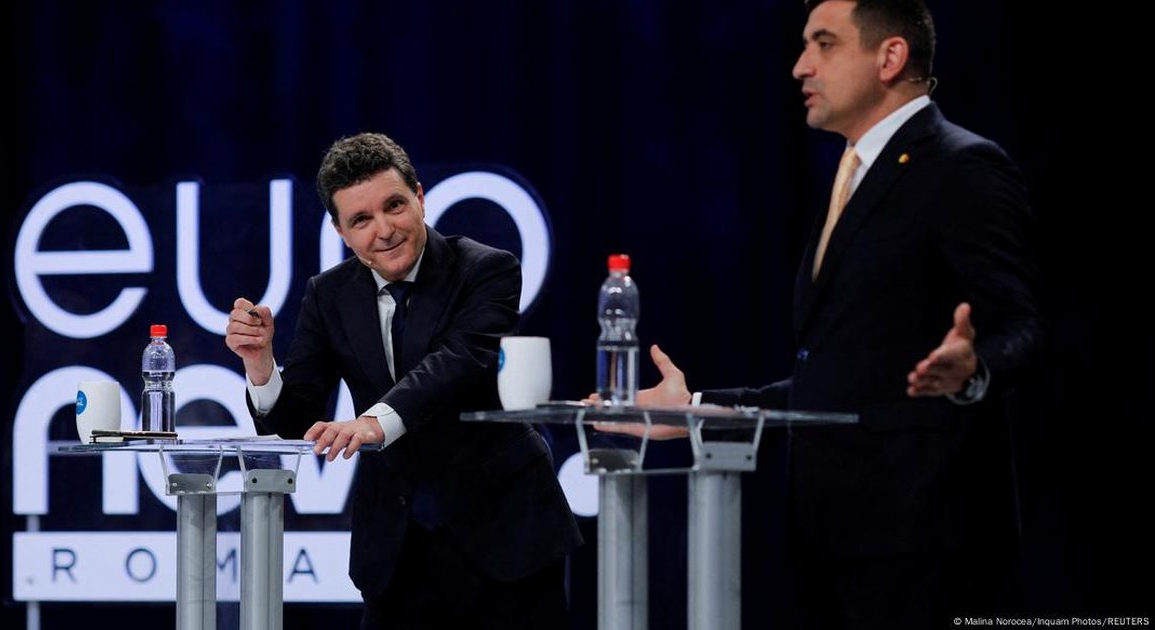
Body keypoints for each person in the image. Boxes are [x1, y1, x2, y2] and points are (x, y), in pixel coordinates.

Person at [628, 1, 1044, 628]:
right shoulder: (854, 175)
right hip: (832, 541)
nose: (800, 66)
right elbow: (840, 380)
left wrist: (973, 370)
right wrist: (694, 410)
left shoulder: (961, 166)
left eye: (823, 44)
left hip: (922, 546)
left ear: (890, 57)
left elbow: (1024, 329)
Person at [224, 132, 582, 628]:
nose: (385, 230)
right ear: (341, 231)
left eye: (394, 205)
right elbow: (294, 422)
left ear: (419, 197)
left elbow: (460, 360)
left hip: (508, 538)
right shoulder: (328, 295)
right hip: (396, 554)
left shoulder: (486, 269)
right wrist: (260, 364)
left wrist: (374, 422)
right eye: (361, 220)